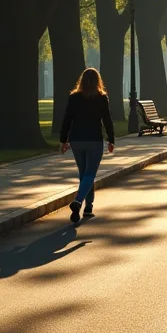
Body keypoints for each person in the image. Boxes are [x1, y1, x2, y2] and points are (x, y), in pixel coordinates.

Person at [58, 68, 116, 223]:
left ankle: (88, 207)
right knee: (90, 174)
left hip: (76, 140)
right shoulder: (101, 98)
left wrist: (63, 141)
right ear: (98, 81)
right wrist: (111, 140)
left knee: (84, 174)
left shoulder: (74, 97)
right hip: (94, 140)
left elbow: (67, 120)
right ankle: (78, 202)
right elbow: (107, 120)